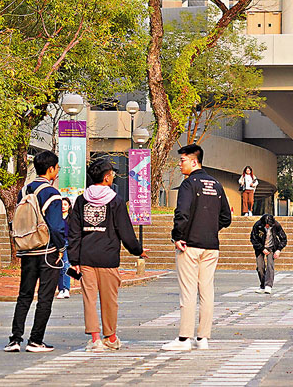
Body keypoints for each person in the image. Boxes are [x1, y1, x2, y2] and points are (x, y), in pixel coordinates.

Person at [68, 158, 147, 352]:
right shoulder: (115, 201)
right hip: (108, 258)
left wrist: (74, 259)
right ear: (106, 178)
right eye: (111, 174)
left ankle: (95, 339)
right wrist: (137, 250)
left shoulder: (81, 200)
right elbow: (125, 230)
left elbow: (74, 232)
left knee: (89, 299)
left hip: (86, 257)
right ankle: (110, 337)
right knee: (109, 300)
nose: (112, 177)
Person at [162, 143, 232, 351]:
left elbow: (182, 213)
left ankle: (184, 338)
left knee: (188, 291)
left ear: (194, 161)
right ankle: (203, 338)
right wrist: (210, 228)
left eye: (182, 160)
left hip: (190, 245)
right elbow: (226, 218)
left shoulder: (188, 184)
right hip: (211, 246)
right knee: (207, 291)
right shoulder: (217, 185)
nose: (180, 164)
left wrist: (177, 236)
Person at [4, 150, 66, 353]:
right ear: (51, 169)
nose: (57, 171)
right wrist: (62, 247)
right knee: (45, 297)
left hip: (27, 249)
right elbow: (56, 226)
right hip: (47, 250)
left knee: (25, 295)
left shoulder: (24, 191)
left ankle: (15, 339)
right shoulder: (52, 193)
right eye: (56, 168)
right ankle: (36, 340)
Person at [250, 214, 287, 294]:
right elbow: (253, 239)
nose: (267, 226)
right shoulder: (257, 225)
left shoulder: (276, 225)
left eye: (269, 225)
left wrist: (278, 249)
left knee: (270, 265)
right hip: (260, 247)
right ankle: (263, 285)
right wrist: (262, 248)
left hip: (271, 247)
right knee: (260, 267)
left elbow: (283, 239)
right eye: (266, 225)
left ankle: (268, 285)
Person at [57, 197, 72, 299]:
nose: (63, 207)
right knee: (59, 267)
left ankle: (66, 289)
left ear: (69, 206)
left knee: (66, 266)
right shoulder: (56, 217)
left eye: (65, 205)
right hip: (58, 243)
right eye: (61, 204)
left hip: (68, 243)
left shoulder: (72, 218)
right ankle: (60, 289)